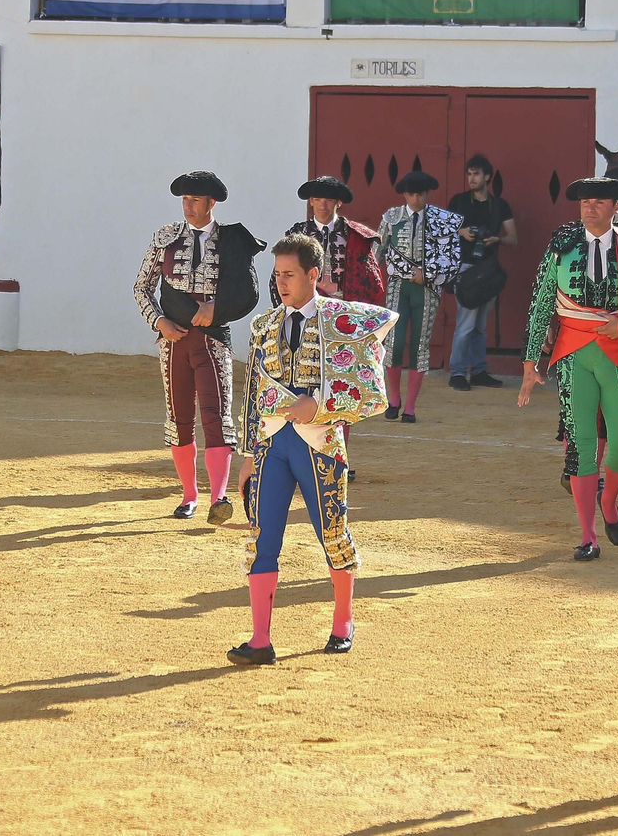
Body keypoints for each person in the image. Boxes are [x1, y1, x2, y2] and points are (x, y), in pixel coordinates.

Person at [228, 232, 396, 666]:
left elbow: (371, 390)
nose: (281, 283)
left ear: (313, 275)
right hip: (271, 445)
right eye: (277, 274)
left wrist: (319, 404)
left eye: (290, 274)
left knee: (332, 533)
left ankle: (343, 623)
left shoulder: (341, 319)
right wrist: (248, 454)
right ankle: (260, 639)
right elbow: (255, 391)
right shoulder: (264, 325)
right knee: (262, 537)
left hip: (320, 444)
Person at [517, 176, 618, 561]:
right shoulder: (560, 248)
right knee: (581, 447)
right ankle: (588, 535)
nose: (590, 207)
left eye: (599, 202)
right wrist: (529, 361)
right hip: (573, 354)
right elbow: (541, 305)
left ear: (615, 208)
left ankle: (610, 501)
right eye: (585, 201)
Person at [135, 170, 265, 521]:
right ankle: (189, 495)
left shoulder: (232, 241)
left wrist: (215, 309)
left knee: (216, 418)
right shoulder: (165, 238)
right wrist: (159, 322)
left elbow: (248, 293)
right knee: (179, 418)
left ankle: (218, 498)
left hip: (212, 341)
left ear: (212, 203)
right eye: (184, 199)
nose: (187, 206)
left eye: (195, 200)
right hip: (173, 342)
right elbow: (141, 288)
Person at [376, 171, 460, 423]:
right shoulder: (391, 218)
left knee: (420, 346)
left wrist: (429, 274)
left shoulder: (441, 221)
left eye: (420, 194)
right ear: (404, 194)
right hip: (398, 287)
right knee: (394, 342)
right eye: (411, 193)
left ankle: (410, 406)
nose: (415, 198)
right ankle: (394, 399)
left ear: (427, 194)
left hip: (427, 288)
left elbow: (452, 257)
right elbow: (375, 253)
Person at [447, 155, 516, 391]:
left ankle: (478, 371)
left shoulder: (499, 205)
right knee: (465, 324)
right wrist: (462, 232)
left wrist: (497, 239)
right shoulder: (458, 202)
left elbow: (513, 237)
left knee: (480, 327)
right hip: (465, 269)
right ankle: (457, 372)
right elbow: (441, 231)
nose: (471, 178)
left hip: (488, 271)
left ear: (487, 176)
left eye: (476, 174)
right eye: (469, 174)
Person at [271, 175, 385, 309]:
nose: (322, 205)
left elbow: (370, 280)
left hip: (344, 308)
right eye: (317, 200)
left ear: (339, 203)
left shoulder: (354, 234)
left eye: (329, 200)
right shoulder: (297, 233)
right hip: (306, 306)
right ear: (311, 202)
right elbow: (280, 274)